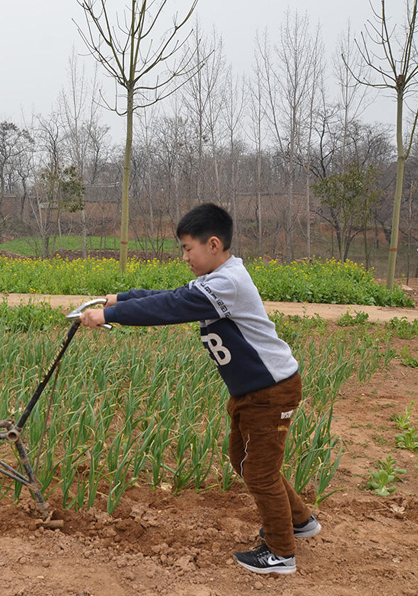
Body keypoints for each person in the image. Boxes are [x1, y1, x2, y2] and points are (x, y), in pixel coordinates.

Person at [79, 203, 321, 575]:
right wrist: (122, 299)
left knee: (259, 472)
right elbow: (171, 295)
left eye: (187, 248)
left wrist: (110, 314)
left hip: (271, 392)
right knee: (245, 461)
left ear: (213, 244)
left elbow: (171, 307)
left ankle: (280, 552)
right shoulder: (215, 278)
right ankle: (299, 521)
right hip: (252, 392)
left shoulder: (228, 282)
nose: (185, 257)